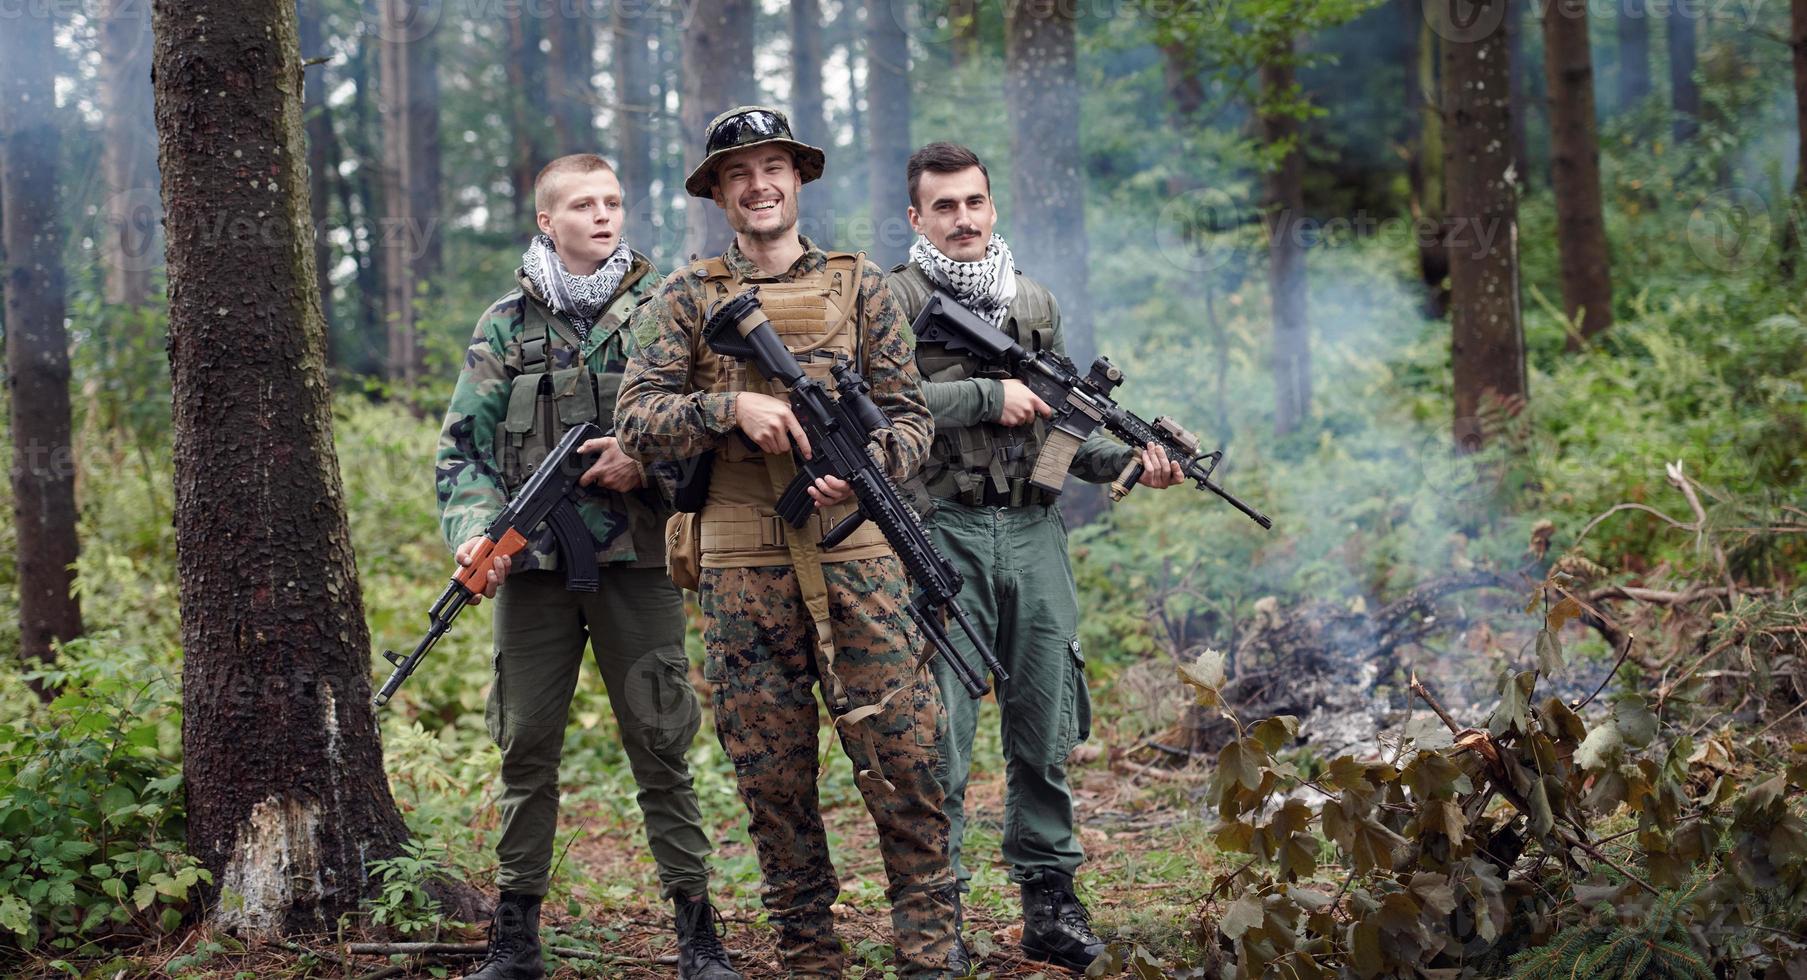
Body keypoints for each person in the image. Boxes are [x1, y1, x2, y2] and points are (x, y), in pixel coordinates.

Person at [614, 106, 957, 979]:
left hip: (858, 555)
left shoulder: (861, 285)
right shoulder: (686, 296)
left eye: (772, 167)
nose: (758, 184)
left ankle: (929, 946)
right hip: (740, 565)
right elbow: (636, 417)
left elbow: (912, 416)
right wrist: (732, 408)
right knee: (771, 774)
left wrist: (870, 462)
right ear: (718, 193)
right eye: (738, 173)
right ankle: (807, 952)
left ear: (797, 178)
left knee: (906, 757)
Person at [434, 153, 739, 980]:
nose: (601, 216)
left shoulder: (667, 308)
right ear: (547, 221)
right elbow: (462, 451)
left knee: (659, 738)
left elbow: (711, 426)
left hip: (637, 563)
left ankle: (697, 929)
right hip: (531, 571)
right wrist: (471, 532)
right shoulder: (504, 326)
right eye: (580, 205)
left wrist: (645, 459)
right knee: (524, 744)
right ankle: (516, 934)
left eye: (612, 201)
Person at [883, 141, 1185, 974]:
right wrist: (984, 395)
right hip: (937, 529)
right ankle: (931, 909)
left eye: (973, 202)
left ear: (991, 206)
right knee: (938, 732)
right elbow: (875, 403)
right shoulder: (890, 300)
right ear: (916, 218)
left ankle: (1048, 900)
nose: (963, 219)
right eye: (943, 207)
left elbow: (1056, 425)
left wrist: (1128, 462)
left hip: (1030, 531)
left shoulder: (1032, 301)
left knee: (1043, 725)